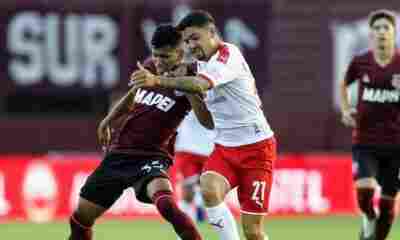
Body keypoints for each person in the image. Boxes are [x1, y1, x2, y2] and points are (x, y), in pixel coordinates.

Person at [130, 10, 276, 240]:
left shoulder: (229, 56)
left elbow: (200, 84)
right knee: (208, 187)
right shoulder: (198, 65)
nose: (191, 45)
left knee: (253, 232)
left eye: (195, 38)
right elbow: (207, 122)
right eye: (187, 41)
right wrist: (185, 90)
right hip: (225, 147)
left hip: (257, 149)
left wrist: (158, 80)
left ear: (212, 33)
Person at [67, 24, 214, 240]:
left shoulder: (192, 77)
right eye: (155, 54)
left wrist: (188, 91)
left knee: (167, 206)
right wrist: (108, 119)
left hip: (152, 156)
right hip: (120, 153)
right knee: (80, 219)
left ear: (180, 53)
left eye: (165, 56)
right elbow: (132, 96)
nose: (158, 61)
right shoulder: (149, 67)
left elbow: (207, 121)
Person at [339, 9, 400, 240]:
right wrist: (346, 110)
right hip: (365, 141)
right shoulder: (361, 61)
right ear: (371, 34)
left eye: (386, 28)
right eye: (377, 28)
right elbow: (344, 84)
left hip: (396, 145)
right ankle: (368, 217)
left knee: (387, 205)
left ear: (393, 32)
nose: (382, 32)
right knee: (364, 195)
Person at [174, 110, 215, 222]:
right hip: (187, 147)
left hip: (210, 148)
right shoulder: (182, 94)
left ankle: (200, 206)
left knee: (208, 187)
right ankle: (183, 224)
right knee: (189, 187)